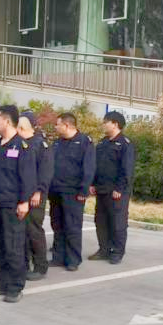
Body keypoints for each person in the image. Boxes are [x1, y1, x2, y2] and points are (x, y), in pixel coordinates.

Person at [0, 105, 37, 303]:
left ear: (6, 121)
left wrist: (24, 202)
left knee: (13, 247)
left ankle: (15, 286)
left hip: (12, 205)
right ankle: (1, 281)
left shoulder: (22, 146)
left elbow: (28, 177)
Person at [49, 112, 95, 271]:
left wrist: (84, 190)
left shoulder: (84, 142)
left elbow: (89, 167)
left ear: (67, 125)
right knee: (57, 225)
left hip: (73, 192)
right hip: (56, 191)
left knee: (72, 226)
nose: (55, 127)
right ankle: (58, 257)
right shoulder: (57, 143)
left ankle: (73, 260)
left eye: (58, 124)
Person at [90, 111, 135, 265]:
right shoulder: (102, 143)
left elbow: (126, 169)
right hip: (102, 189)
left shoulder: (125, 144)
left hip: (116, 191)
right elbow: (96, 165)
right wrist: (92, 183)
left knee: (117, 223)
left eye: (106, 122)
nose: (103, 125)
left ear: (115, 124)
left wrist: (119, 189)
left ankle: (117, 252)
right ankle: (104, 249)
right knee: (101, 221)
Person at [18, 111, 54, 280]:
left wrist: (39, 191)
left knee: (34, 230)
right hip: (22, 194)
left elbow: (45, 171)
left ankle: (40, 266)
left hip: (35, 195)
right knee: (22, 231)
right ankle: (24, 265)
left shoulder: (40, 145)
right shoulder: (20, 143)